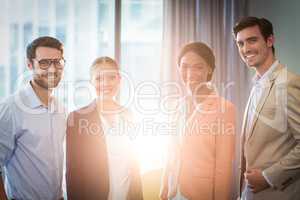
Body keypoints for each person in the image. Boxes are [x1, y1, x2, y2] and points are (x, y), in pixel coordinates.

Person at [233, 16, 300, 200]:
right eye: (240, 43)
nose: (245, 49)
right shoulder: (256, 84)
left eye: (252, 40)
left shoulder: (288, 83)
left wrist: (268, 177)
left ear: (270, 40)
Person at [160, 42, 236, 200]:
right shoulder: (175, 106)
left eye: (198, 67)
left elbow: (223, 168)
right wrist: (164, 187)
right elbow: (170, 152)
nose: (190, 73)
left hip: (201, 194)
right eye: (185, 66)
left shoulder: (225, 109)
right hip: (173, 193)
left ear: (209, 69)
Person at [66, 56, 143, 200]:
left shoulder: (128, 115)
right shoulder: (76, 119)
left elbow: (135, 167)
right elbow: (73, 174)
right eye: (99, 79)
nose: (106, 83)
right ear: (91, 82)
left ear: (119, 79)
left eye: (111, 77)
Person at [0, 36, 66, 200]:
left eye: (57, 62)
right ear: (30, 64)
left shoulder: (61, 108)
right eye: (44, 63)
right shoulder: (12, 108)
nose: (52, 69)